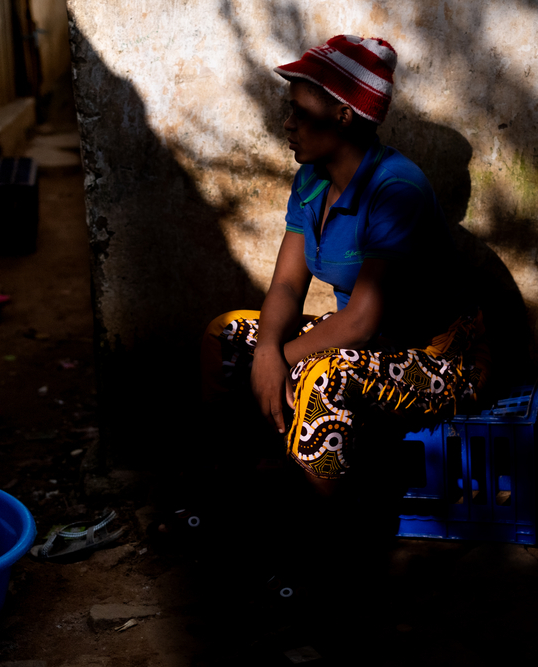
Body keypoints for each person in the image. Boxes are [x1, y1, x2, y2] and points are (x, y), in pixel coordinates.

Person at [202, 35, 489, 497]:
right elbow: (287, 288)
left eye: (300, 112)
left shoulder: (397, 190)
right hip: (366, 346)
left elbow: (360, 321)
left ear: (343, 116)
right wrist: (266, 351)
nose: (287, 123)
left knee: (324, 375)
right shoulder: (311, 180)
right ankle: (237, 483)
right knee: (227, 336)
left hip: (436, 363)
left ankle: (326, 535)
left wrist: (276, 361)